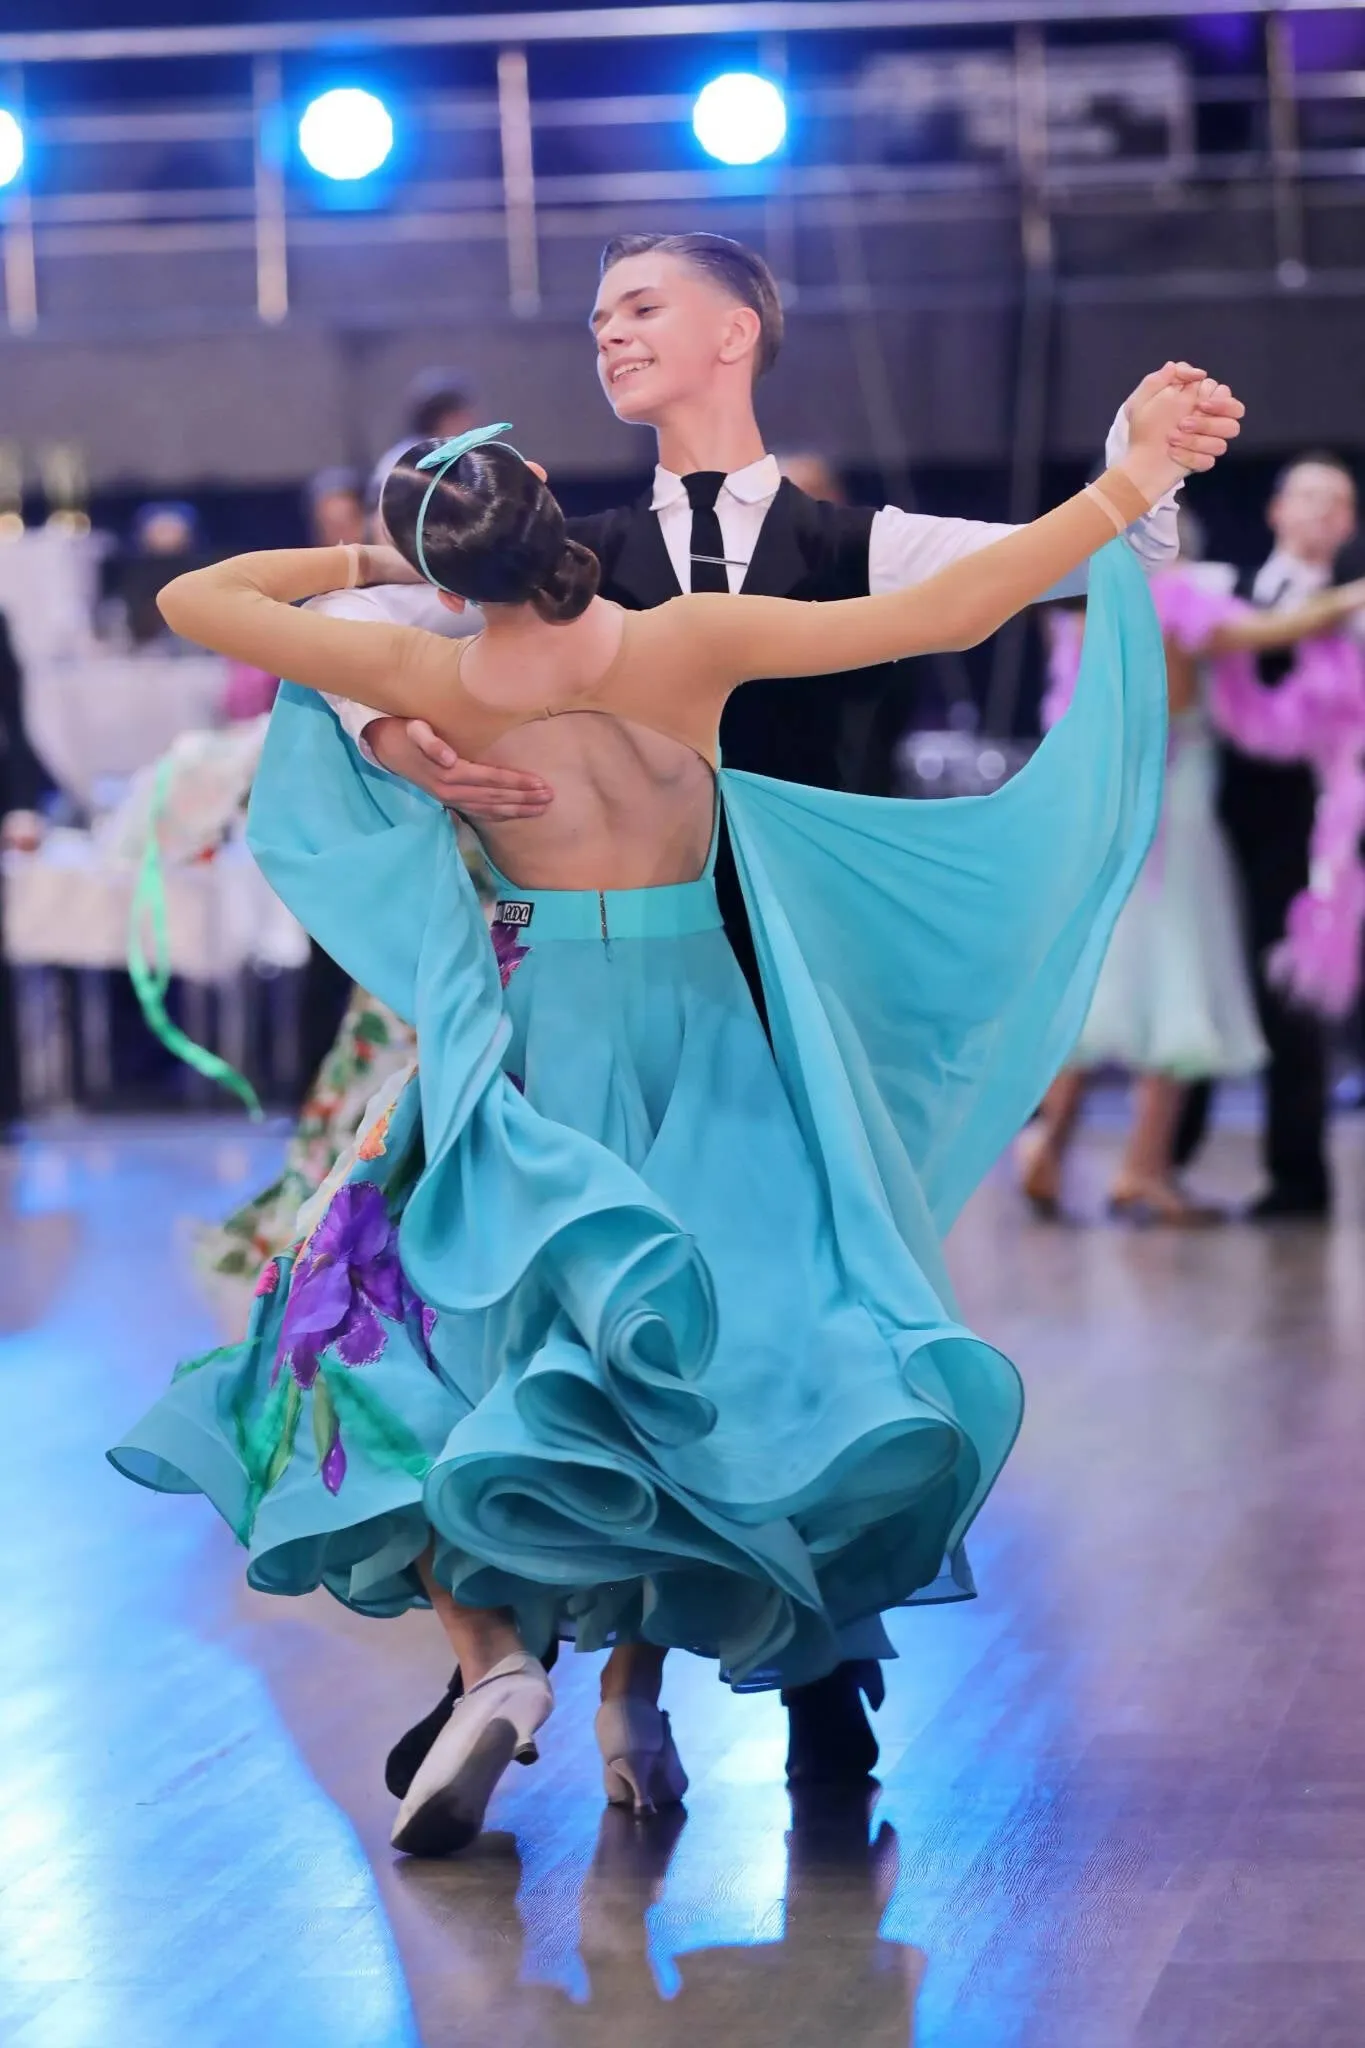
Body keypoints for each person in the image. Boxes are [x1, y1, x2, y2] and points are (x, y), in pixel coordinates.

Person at [110, 373, 1233, 1856]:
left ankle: (497, 1665)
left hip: (526, 1046)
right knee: (699, 1371)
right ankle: (643, 1693)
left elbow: (201, 596)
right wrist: (1114, 493)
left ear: (452, 566)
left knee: (410, 1346)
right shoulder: (683, 643)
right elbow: (948, 616)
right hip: (704, 1030)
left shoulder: (442, 682)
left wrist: (374, 571)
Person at [1019, 539, 1365, 1224]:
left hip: (1113, 821)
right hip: (1177, 820)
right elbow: (1275, 629)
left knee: (1107, 988)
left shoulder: (1081, 613)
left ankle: (1048, 1146)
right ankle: (1142, 1170)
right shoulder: (1175, 605)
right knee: (1177, 989)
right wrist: (1350, 595)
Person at [1174, 455, 1362, 1218]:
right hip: (1221, 802)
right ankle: (1167, 1159)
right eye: (1306, 496)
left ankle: (1298, 1177)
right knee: (1202, 969)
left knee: (1292, 992)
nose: (1318, 512)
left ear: (1347, 524)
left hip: (1315, 817)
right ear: (1276, 510)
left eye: (1335, 502)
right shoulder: (1223, 595)